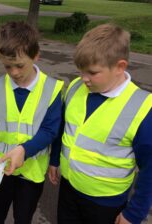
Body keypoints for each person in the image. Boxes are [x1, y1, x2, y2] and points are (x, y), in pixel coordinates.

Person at [48, 23, 152, 224]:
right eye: (81, 71)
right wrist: (55, 158)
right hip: (69, 189)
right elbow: (64, 129)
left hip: (106, 203)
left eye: (92, 72)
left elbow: (150, 168)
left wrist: (135, 213)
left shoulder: (142, 108)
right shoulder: (76, 88)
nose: (83, 79)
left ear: (120, 67)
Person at [0, 21, 64, 224]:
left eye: (20, 65)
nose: (14, 72)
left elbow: (50, 130)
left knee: (23, 217)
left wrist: (25, 150)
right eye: (7, 66)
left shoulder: (52, 89)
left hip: (31, 174)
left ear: (35, 56)